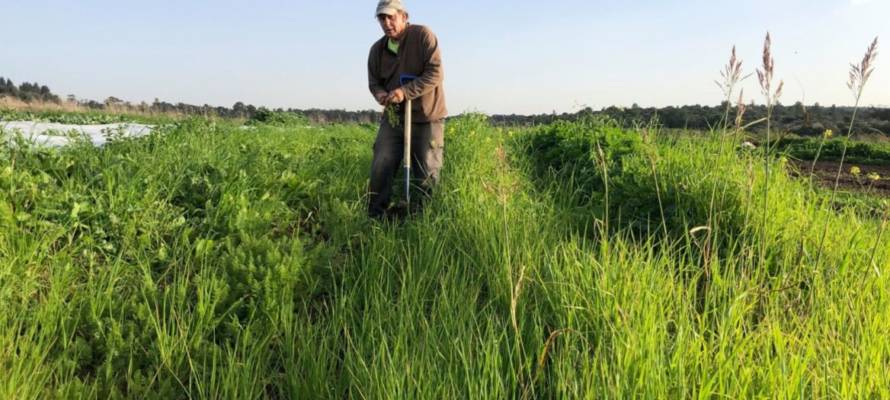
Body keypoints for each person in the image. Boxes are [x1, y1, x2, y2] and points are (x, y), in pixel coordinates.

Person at [367, 0, 447, 219]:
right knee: (381, 162)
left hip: (427, 115)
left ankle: (424, 219)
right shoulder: (377, 50)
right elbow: (374, 83)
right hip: (394, 118)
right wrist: (381, 94)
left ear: (403, 16)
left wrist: (404, 92)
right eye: (382, 18)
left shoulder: (422, 36)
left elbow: (435, 73)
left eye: (391, 17)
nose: (386, 23)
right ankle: (376, 217)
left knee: (427, 171)